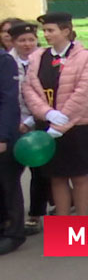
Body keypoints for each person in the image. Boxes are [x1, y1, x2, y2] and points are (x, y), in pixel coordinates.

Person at [22, 11, 88, 217]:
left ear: (65, 31)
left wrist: (62, 121)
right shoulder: (38, 57)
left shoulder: (85, 57)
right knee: (56, 177)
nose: (46, 34)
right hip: (47, 125)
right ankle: (62, 224)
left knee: (79, 176)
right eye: (44, 30)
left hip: (76, 126)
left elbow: (84, 91)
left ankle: (81, 223)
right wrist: (47, 114)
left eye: (50, 30)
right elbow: (29, 88)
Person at [8, 22, 44, 234]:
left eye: (31, 39)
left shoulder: (42, 59)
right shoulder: (6, 62)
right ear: (13, 42)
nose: (27, 44)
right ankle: (12, 217)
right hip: (12, 124)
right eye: (22, 40)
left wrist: (30, 121)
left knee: (40, 173)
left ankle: (35, 214)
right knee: (11, 174)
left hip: (37, 121)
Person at [0, 44, 21, 254]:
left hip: (3, 133)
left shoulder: (4, 61)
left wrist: (3, 136)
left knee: (8, 184)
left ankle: (14, 232)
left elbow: (8, 101)